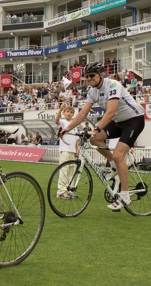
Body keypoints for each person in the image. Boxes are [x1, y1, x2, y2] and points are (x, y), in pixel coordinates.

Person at [59, 62, 145, 211]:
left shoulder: (112, 85)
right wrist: (66, 128)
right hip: (119, 121)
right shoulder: (92, 91)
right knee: (95, 139)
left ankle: (125, 196)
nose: (89, 79)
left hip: (134, 120)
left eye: (92, 76)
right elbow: (82, 114)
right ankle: (112, 163)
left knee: (119, 155)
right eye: (87, 77)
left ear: (101, 74)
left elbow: (110, 112)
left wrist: (97, 128)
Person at [55, 104, 80, 198]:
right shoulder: (63, 121)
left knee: (72, 172)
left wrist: (77, 150)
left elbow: (77, 139)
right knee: (64, 171)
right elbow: (56, 121)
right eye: (67, 111)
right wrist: (60, 108)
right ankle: (61, 191)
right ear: (64, 113)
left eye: (71, 112)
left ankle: (69, 190)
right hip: (64, 150)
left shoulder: (75, 125)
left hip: (73, 151)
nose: (69, 113)